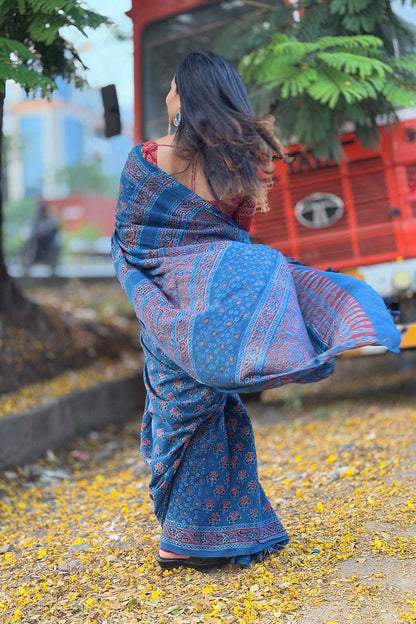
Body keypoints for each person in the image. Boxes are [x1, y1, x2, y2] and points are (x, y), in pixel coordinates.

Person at [111, 51, 401, 571]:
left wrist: (155, 278)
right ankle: (217, 533)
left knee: (178, 410)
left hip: (169, 301)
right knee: (215, 407)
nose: (168, 96)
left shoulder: (147, 160)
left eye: (173, 88)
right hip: (224, 287)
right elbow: (235, 236)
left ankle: (182, 539)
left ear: (188, 95)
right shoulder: (243, 160)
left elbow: (131, 239)